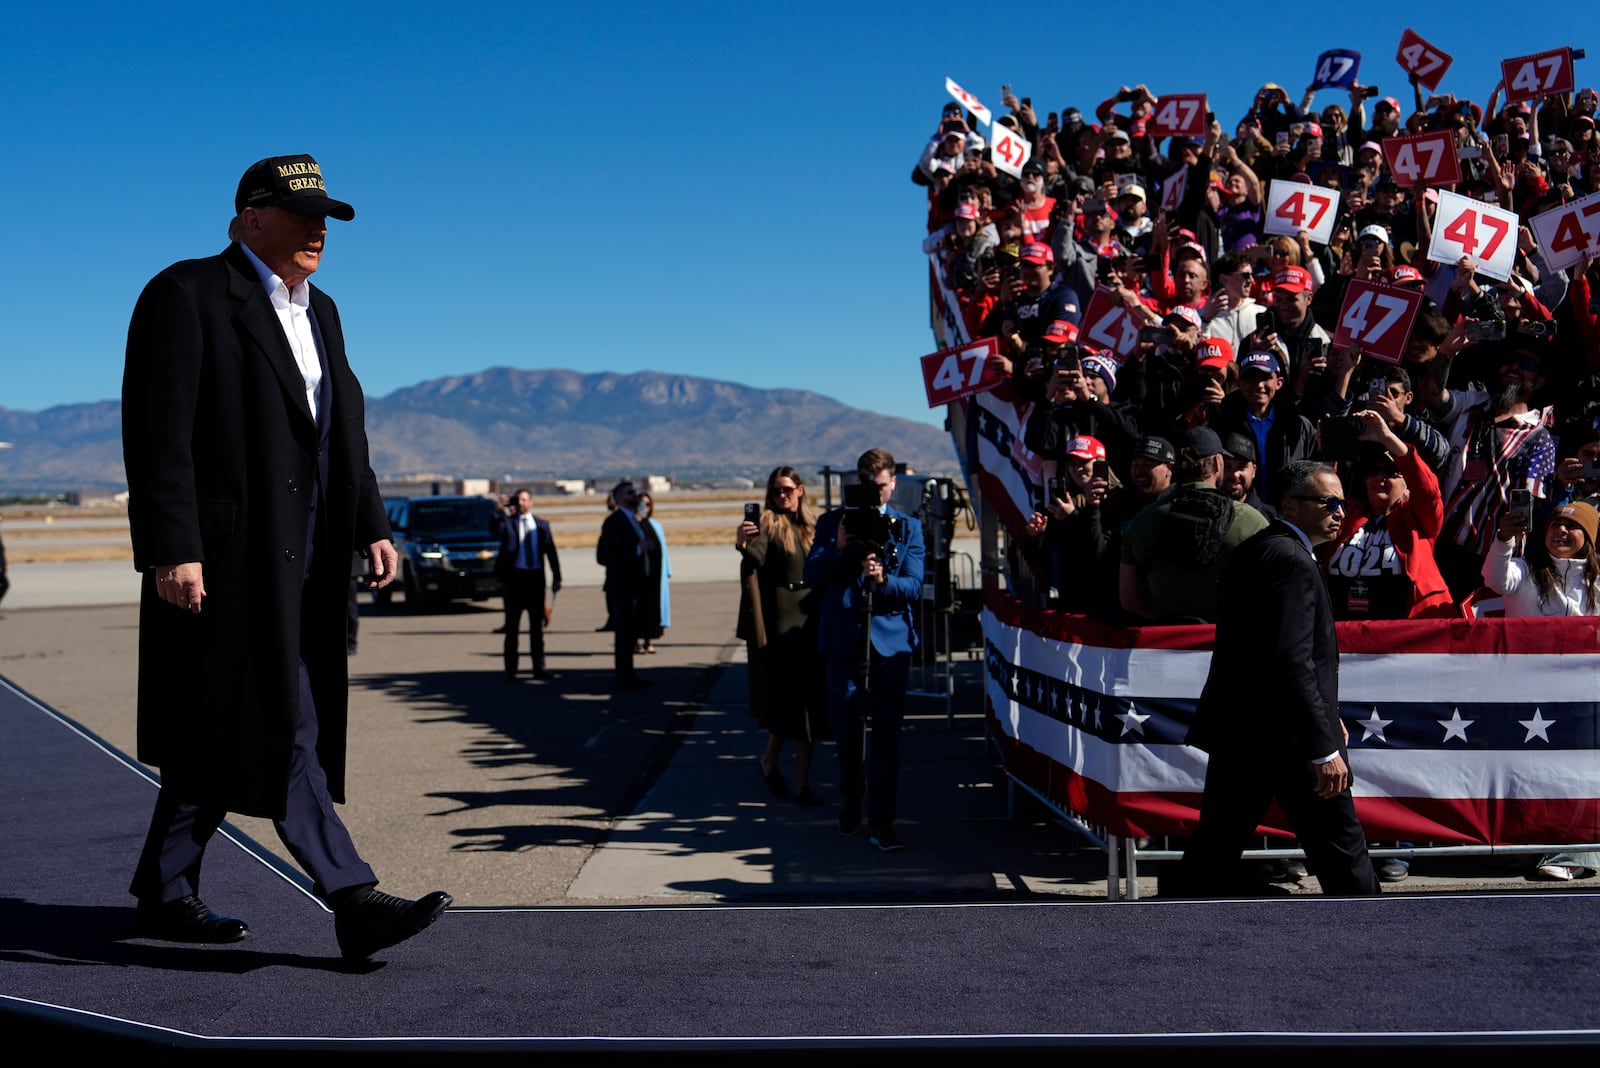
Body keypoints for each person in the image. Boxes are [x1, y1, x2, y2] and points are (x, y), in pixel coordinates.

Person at [120, 153, 450, 957]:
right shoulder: (187, 294)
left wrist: (372, 522)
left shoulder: (322, 310)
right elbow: (156, 433)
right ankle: (352, 894)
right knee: (283, 719)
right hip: (225, 562)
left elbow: (344, 436)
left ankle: (164, 890)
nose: (317, 230)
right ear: (249, 218)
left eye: (326, 218)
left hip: (309, 563)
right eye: (301, 214)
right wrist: (173, 548)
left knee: (217, 726)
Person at [1179, 461, 1381, 897]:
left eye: (1342, 502)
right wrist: (1323, 741)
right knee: (1345, 856)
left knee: (1212, 852)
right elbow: (1292, 660)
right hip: (1288, 739)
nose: (1339, 511)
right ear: (1290, 505)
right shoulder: (1293, 561)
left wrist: (1328, 717)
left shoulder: (1253, 551)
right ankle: (1376, 939)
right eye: (1327, 501)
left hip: (1244, 734)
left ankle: (1168, 931)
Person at [804, 449, 925, 852]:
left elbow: (913, 587)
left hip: (889, 646)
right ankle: (851, 797)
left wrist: (883, 579)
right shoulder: (831, 523)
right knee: (847, 735)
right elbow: (811, 574)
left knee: (887, 739)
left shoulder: (909, 528)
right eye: (865, 486)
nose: (873, 493)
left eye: (880, 486)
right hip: (844, 642)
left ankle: (882, 820)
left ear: (892, 485)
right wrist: (838, 548)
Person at [1481, 500, 1600, 882]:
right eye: (1554, 525)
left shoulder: (1598, 582)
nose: (1560, 531)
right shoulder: (1526, 571)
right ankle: (1524, 846)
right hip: (1527, 693)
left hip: (1584, 699)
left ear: (1589, 538)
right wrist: (1503, 539)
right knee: (1529, 772)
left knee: (1577, 775)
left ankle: (1574, 853)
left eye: (1571, 526)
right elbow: (1495, 580)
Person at [737, 467, 829, 805]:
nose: (781, 496)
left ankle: (799, 781)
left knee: (810, 705)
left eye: (787, 489)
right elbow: (755, 557)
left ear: (801, 490)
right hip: (782, 621)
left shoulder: (812, 526)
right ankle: (772, 762)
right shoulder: (769, 524)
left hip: (810, 618)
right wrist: (743, 544)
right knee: (791, 703)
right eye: (776, 491)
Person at [1118, 426, 1269, 623]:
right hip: (1230, 647)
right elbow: (1270, 594)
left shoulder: (1140, 523)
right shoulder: (1252, 521)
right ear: (1217, 463)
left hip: (1163, 645)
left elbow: (1130, 600)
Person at [493, 487, 562, 682]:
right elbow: (494, 529)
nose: (521, 503)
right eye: (518, 500)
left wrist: (557, 577)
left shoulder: (541, 525)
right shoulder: (508, 523)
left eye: (524, 500)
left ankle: (539, 668)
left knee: (536, 629)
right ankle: (511, 670)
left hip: (535, 580)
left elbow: (551, 552)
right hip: (515, 581)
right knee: (512, 629)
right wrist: (497, 510)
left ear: (531, 502)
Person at [597, 480, 651, 690]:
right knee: (624, 632)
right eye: (629, 493)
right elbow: (610, 554)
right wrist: (638, 549)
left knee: (630, 631)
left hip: (636, 585)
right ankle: (624, 676)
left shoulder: (634, 520)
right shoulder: (614, 522)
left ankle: (629, 674)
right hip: (622, 586)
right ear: (620, 498)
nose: (634, 495)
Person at [635, 491, 670, 655]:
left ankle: (649, 640)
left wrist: (667, 570)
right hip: (639, 573)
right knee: (638, 609)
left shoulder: (655, 524)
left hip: (654, 573)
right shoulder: (634, 524)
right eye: (642, 504)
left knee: (652, 608)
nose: (645, 507)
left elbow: (663, 549)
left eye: (648, 504)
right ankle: (636, 641)